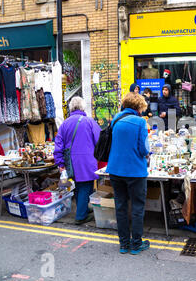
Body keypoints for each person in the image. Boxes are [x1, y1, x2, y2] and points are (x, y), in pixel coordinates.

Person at [106, 93, 151, 255]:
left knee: (121, 207)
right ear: (139, 107)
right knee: (137, 208)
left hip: (115, 170)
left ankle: (124, 244)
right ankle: (136, 244)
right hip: (135, 171)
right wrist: (149, 152)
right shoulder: (140, 122)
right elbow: (143, 149)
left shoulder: (115, 121)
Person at [54, 96, 101, 225]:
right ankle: (80, 216)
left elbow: (58, 145)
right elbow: (99, 141)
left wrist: (60, 163)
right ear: (83, 107)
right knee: (86, 186)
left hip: (71, 162)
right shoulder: (89, 122)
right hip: (87, 161)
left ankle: (84, 209)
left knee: (79, 187)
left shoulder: (64, 124)